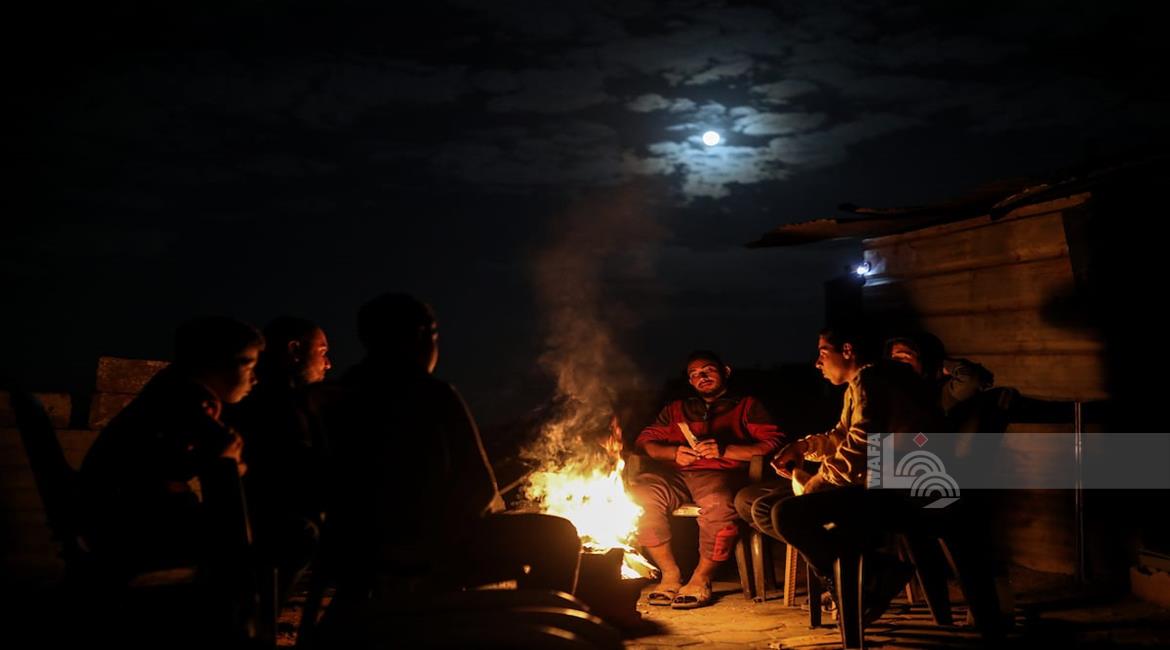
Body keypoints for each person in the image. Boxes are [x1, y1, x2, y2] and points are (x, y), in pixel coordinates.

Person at [313, 293, 581, 607]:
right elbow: (479, 489)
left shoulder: (332, 395)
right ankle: (531, 624)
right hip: (427, 550)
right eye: (434, 335)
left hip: (350, 547)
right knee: (558, 535)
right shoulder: (432, 394)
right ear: (419, 337)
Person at [764, 324, 941, 624]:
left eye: (823, 353)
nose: (817, 363)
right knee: (777, 510)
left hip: (905, 491)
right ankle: (863, 579)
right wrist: (802, 447)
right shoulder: (861, 384)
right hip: (884, 486)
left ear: (847, 351)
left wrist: (819, 481)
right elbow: (842, 437)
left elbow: (863, 444)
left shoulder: (873, 380)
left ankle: (862, 581)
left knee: (787, 514)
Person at [631, 350, 785, 609]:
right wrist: (673, 453)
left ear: (726, 372)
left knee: (718, 504)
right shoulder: (676, 409)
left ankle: (701, 578)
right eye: (694, 374)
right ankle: (670, 574)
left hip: (719, 476)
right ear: (690, 381)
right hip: (675, 475)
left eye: (708, 370)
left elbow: (773, 443)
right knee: (641, 497)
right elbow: (644, 443)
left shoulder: (746, 406)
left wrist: (726, 450)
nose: (701, 377)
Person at [226, 316, 331, 612]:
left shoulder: (265, 401)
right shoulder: (279, 407)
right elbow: (303, 474)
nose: (328, 364)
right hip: (270, 531)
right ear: (294, 350)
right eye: (322, 352)